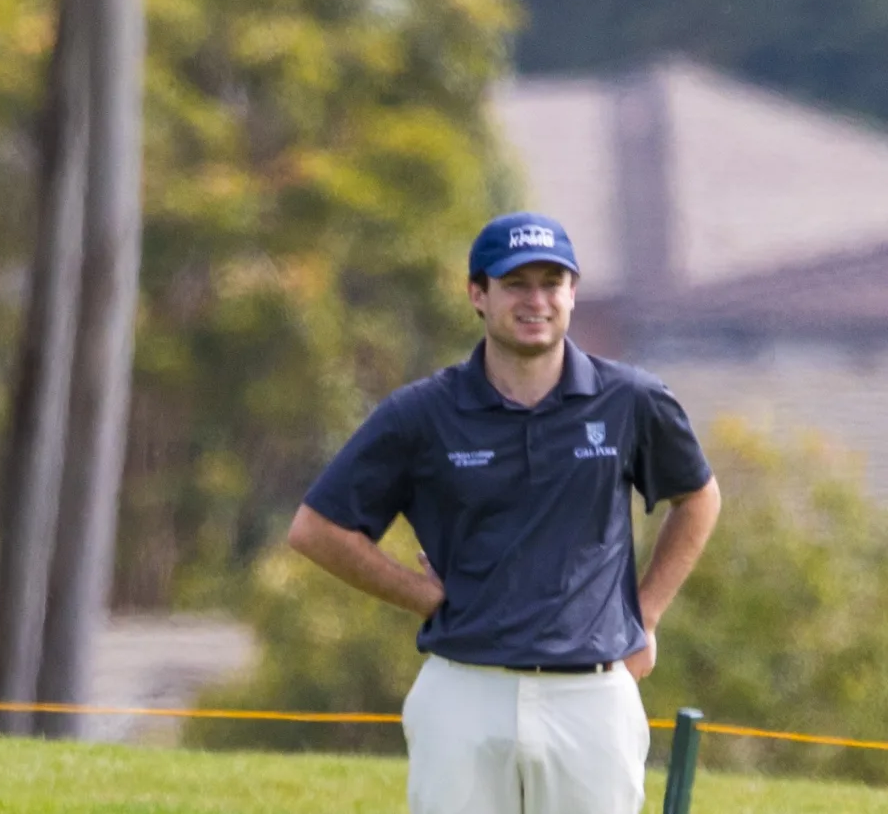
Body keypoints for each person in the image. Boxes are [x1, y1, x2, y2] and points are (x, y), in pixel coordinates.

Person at [288, 212, 722, 814]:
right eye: (516, 283)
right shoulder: (422, 413)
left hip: (591, 699)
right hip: (464, 691)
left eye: (552, 281)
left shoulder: (632, 400)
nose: (536, 299)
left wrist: (643, 616)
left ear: (573, 291)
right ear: (478, 294)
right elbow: (316, 529)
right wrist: (420, 594)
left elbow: (698, 497)